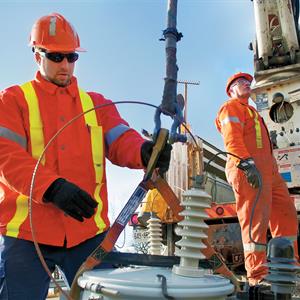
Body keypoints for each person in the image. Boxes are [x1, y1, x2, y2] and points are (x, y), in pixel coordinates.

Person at [0, 13, 172, 299]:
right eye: (56, 56)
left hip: (86, 232)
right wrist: (52, 188)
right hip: (27, 236)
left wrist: (144, 151)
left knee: (111, 295)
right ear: (36, 55)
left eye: (71, 56)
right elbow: (6, 157)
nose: (65, 65)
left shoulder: (96, 104)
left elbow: (121, 139)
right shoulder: (13, 101)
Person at [215, 72, 299, 287]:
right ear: (231, 89)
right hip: (247, 169)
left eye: (247, 82)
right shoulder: (230, 108)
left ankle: (290, 266)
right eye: (240, 82)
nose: (246, 84)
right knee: (255, 222)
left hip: (269, 171)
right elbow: (232, 139)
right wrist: (246, 164)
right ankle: (257, 275)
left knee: (286, 213)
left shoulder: (252, 112)